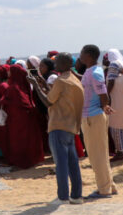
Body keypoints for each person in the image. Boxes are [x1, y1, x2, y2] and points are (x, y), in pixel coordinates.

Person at [31, 52, 84, 204]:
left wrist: (35, 85)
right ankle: (76, 195)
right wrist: (42, 82)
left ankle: (62, 197)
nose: (55, 65)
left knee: (61, 164)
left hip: (58, 125)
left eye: (58, 62)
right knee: (73, 164)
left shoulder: (61, 81)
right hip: (71, 126)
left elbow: (49, 102)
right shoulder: (75, 80)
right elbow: (58, 98)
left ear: (65, 64)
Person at [79, 45, 117, 198]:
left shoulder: (94, 73)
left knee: (97, 155)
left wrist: (105, 106)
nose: (80, 55)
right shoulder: (91, 71)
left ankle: (104, 190)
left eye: (82, 53)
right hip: (91, 116)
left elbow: (103, 94)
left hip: (93, 117)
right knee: (99, 153)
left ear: (88, 55)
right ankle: (109, 186)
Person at [0, 63, 45, 169]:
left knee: (19, 141)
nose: (8, 72)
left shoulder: (14, 88)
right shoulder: (20, 85)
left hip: (18, 120)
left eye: (10, 71)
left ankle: (21, 162)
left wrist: (4, 100)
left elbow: (20, 102)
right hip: (20, 118)